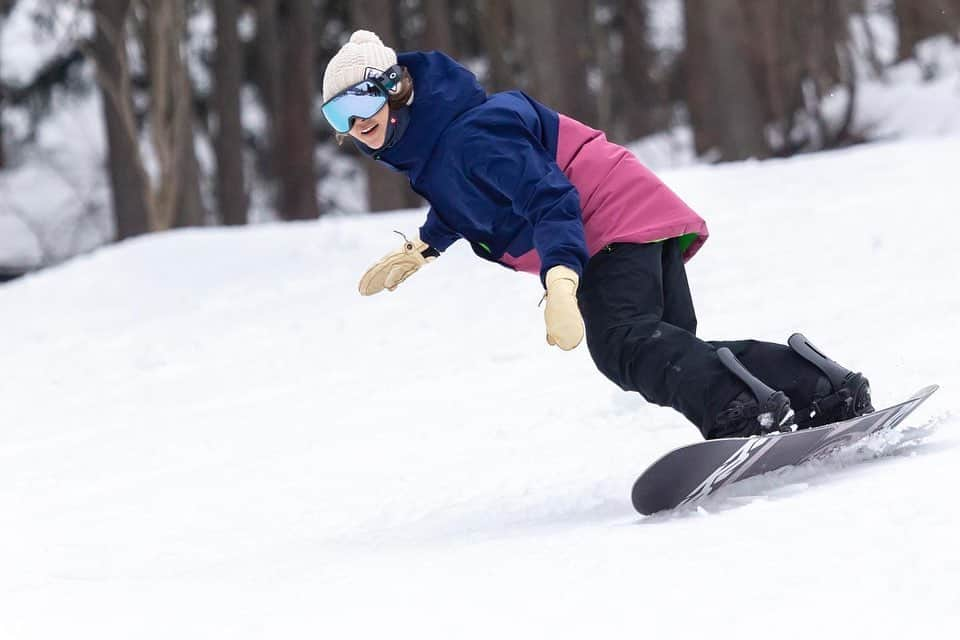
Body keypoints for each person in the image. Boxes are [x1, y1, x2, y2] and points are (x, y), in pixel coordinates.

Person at [321, 30, 874, 439]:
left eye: (362, 101)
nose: (355, 124)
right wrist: (427, 244)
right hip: (630, 211)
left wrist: (562, 277)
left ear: (395, 88)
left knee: (623, 344)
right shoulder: (439, 142)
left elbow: (550, 197)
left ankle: (740, 409)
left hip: (604, 220)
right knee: (666, 345)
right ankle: (818, 389)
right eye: (338, 115)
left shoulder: (468, 136)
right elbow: (475, 200)